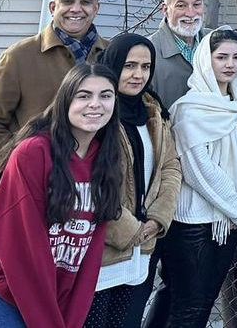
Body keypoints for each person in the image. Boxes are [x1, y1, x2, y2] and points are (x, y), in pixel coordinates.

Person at [0, 63, 122, 328]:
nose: (95, 104)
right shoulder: (34, 153)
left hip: (47, 286)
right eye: (84, 95)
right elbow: (19, 249)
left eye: (106, 95)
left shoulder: (105, 159)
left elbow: (89, 254)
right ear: (66, 100)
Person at [161, 27, 237, 328]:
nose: (230, 64)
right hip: (194, 226)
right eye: (221, 57)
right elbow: (196, 169)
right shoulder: (189, 110)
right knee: (187, 307)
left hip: (227, 224)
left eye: (236, 57)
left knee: (204, 305)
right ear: (206, 60)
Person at [84, 34, 182, 328]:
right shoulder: (97, 112)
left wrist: (157, 219)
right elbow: (90, 180)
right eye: (129, 66)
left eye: (145, 66)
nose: (138, 75)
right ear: (113, 65)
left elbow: (170, 167)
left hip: (142, 252)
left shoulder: (153, 111)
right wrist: (129, 230)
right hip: (102, 251)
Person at [0, 0, 107, 169]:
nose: (76, 9)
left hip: (97, 179)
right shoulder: (20, 56)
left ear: (96, 9)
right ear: (53, 8)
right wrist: (10, 169)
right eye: (67, 1)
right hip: (37, 178)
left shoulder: (113, 55)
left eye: (86, 2)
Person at [144, 0, 209, 326]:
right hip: (158, 184)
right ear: (164, 8)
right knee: (142, 279)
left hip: (202, 188)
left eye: (196, 4)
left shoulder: (213, 49)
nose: (190, 12)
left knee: (183, 286)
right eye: (181, 5)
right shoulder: (149, 53)